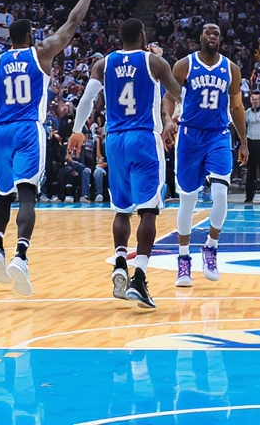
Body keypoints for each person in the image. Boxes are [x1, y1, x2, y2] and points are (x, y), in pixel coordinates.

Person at [0, 0, 100, 297]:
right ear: (29, 37)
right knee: (26, 195)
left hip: (0, 132)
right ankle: (21, 256)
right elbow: (71, 25)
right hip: (27, 130)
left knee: (3, 194)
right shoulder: (40, 53)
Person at [69, 18, 181, 309]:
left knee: (121, 209)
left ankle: (120, 262)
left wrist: (78, 129)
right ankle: (139, 278)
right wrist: (161, 62)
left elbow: (87, 99)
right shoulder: (153, 62)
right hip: (143, 137)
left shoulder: (103, 64)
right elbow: (178, 91)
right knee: (148, 210)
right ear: (143, 36)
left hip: (115, 139)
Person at [168, 22, 248, 287]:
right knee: (187, 202)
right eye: (208, 32)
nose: (212, 36)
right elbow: (169, 96)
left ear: (220, 39)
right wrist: (168, 120)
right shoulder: (184, 65)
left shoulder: (231, 69)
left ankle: (211, 247)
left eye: (216, 33)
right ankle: (183, 260)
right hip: (190, 136)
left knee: (220, 195)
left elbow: (236, 106)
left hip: (218, 135)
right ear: (199, 37)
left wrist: (244, 142)